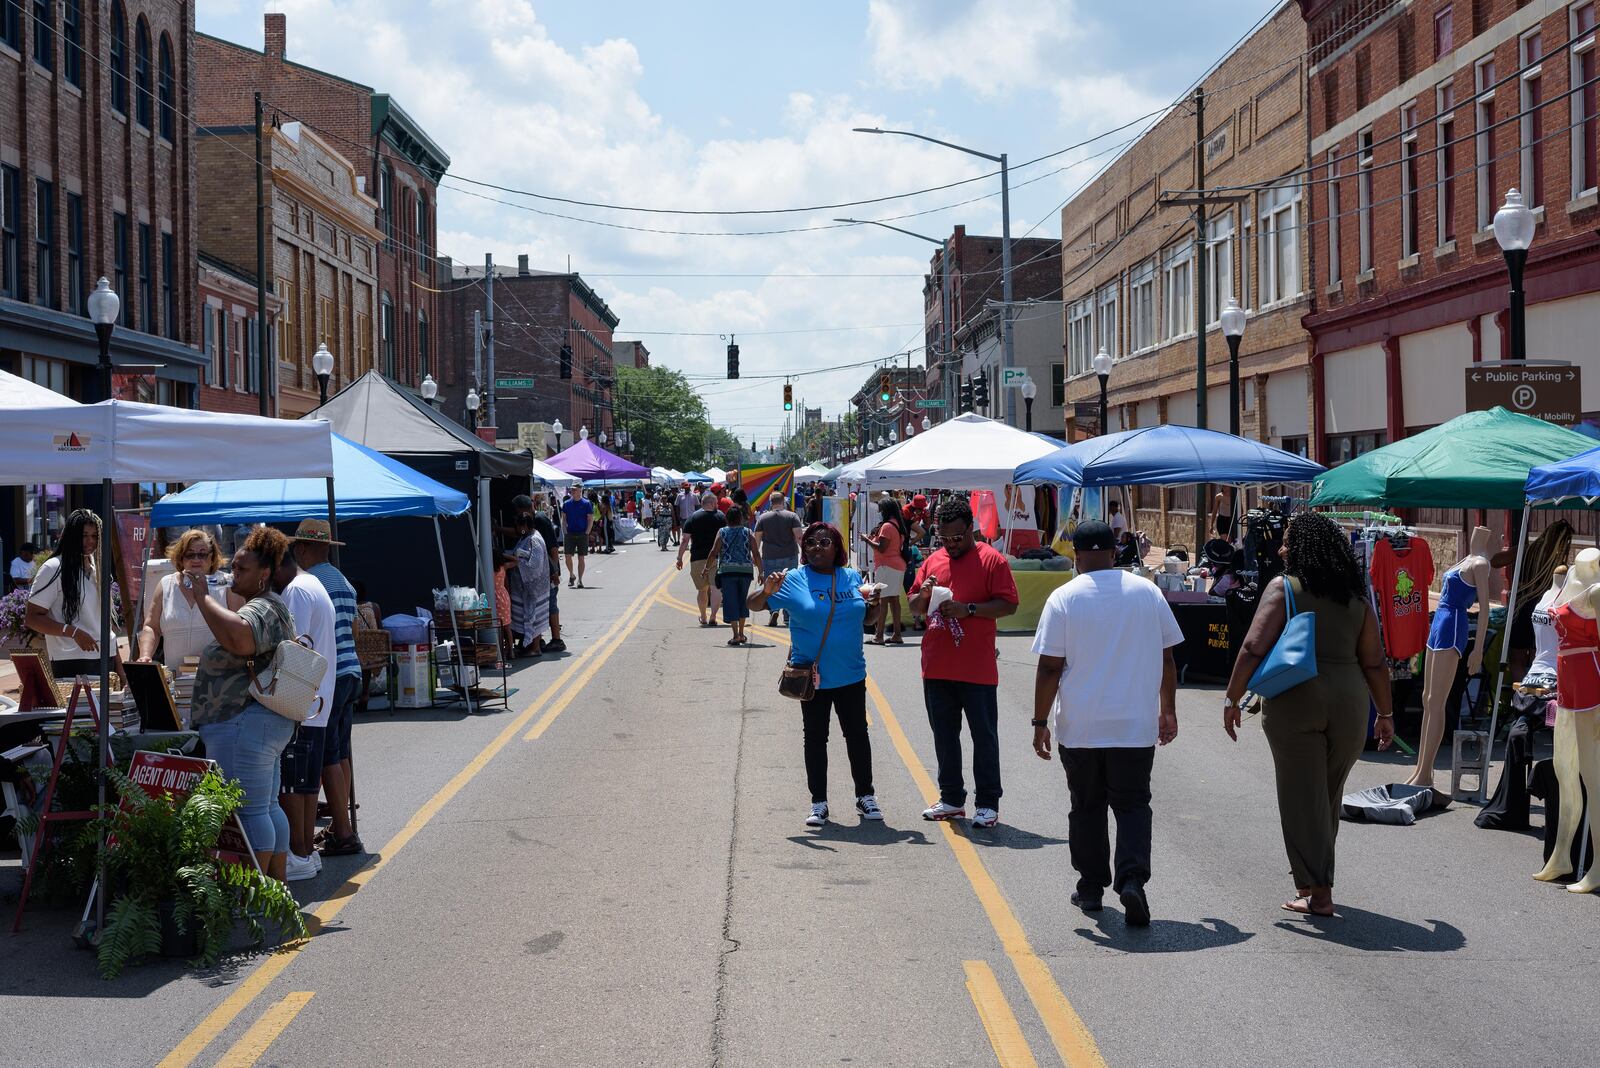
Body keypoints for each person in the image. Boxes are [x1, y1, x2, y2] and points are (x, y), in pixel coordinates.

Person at [1223, 511, 1395, 918]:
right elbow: (1374, 662)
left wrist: (1232, 698)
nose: (1281, 548)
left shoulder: (1285, 587)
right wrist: (1385, 712)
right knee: (1326, 798)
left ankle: (1317, 893)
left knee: (1302, 799)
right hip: (1351, 704)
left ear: (1302, 548)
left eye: (1286, 541)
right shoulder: (1357, 597)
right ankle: (1318, 881)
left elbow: (1252, 646)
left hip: (1297, 700)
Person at [1031, 520, 1182, 926]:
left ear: (1075, 556)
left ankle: (1091, 888)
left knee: (1087, 807)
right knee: (1133, 805)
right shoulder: (1147, 592)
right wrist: (1167, 710)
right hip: (1134, 726)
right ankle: (1132, 879)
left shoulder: (1063, 598)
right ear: (1115, 553)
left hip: (1080, 727)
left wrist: (1039, 721)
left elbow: (1049, 668)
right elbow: (1168, 657)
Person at [749, 521, 882, 826]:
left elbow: (868, 620)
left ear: (837, 547)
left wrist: (873, 604)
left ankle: (865, 796)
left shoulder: (850, 577)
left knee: (857, 735)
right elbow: (753, 605)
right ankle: (818, 802)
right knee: (815, 738)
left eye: (824, 542)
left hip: (850, 674)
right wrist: (765, 589)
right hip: (811, 676)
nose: (816, 547)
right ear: (803, 549)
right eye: (810, 543)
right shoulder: (794, 579)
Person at [188, 526, 298, 881]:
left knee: (249, 812)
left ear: (264, 574)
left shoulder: (264, 607)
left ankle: (254, 896)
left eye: (242, 570)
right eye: (233, 567)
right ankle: (275, 891)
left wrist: (203, 597)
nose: (234, 574)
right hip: (258, 721)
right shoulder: (263, 605)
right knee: (265, 807)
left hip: (244, 720)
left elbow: (239, 639)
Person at [907, 498, 1018, 828]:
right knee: (944, 735)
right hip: (937, 665)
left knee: (983, 736)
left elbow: (1008, 605)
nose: (950, 544)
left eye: (957, 538)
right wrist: (924, 595)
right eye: (944, 538)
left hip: (977, 668)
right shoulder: (933, 561)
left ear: (970, 530)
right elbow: (913, 605)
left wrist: (969, 609)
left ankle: (988, 802)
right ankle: (952, 799)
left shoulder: (992, 560)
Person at [288, 520, 365, 858]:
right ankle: (341, 823)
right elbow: (354, 630)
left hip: (330, 674)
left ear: (304, 548)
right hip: (352, 670)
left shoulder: (310, 583)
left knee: (328, 755)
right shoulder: (343, 581)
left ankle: (344, 831)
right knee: (341, 751)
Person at [273, 526, 338, 883]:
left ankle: (299, 851)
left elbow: (291, 646)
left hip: (302, 698)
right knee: (306, 783)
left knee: (295, 784)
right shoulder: (313, 584)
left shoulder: (297, 590)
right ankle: (305, 852)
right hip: (316, 697)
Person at [25, 510, 107, 680]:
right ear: (71, 536)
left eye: (94, 536)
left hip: (106, 657)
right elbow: (32, 618)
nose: (90, 541)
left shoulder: (96, 568)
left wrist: (119, 668)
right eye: (84, 535)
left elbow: (103, 622)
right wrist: (73, 632)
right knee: (81, 708)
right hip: (71, 661)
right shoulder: (54, 568)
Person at [137, 529, 229, 672]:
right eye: (190, 554)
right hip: (175, 679)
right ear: (181, 558)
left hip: (216, 678)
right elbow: (151, 627)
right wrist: (145, 656)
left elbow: (239, 629)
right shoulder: (165, 584)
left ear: (212, 557)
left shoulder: (227, 584)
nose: (196, 559)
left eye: (202, 554)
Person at [510, 495, 565, 653]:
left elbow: (553, 548)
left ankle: (556, 639)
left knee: (549, 607)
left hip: (547, 574)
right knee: (540, 609)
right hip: (544, 574)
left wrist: (554, 572)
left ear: (524, 510)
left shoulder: (540, 521)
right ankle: (538, 641)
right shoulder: (529, 528)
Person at [708, 505, 759, 646]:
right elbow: (756, 553)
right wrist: (761, 571)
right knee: (743, 600)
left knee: (731, 602)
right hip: (746, 571)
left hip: (727, 571)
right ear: (741, 518)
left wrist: (706, 567)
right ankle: (742, 634)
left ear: (727, 518)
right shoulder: (748, 532)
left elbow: (714, 551)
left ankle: (735, 635)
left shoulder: (722, 532)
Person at [864, 498, 911, 645]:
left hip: (886, 566)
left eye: (881, 509)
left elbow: (881, 548)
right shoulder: (897, 524)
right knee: (893, 600)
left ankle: (879, 636)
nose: (879, 512)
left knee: (882, 600)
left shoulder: (886, 526)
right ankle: (896, 634)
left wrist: (866, 539)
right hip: (897, 565)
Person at [677, 492, 727, 626]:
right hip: (717, 557)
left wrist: (679, 557)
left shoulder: (693, 517)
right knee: (716, 588)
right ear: (710, 503)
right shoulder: (721, 516)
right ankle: (714, 617)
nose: (717, 505)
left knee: (702, 590)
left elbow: (685, 540)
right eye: (716, 503)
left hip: (698, 558)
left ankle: (704, 616)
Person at [753, 496, 803, 627]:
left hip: (769, 557)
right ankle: (787, 616)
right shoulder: (792, 516)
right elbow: (799, 537)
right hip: (790, 556)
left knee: (771, 585)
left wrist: (755, 557)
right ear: (783, 502)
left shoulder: (763, 518)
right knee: (789, 585)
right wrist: (806, 553)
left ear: (771, 503)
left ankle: (774, 611)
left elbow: (756, 539)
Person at [510, 513, 551, 657]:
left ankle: (535, 647)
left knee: (534, 618)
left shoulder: (534, 539)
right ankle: (530, 646)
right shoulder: (526, 537)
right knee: (529, 617)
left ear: (525, 526)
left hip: (533, 588)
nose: (517, 529)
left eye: (519, 526)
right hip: (526, 589)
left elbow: (534, 565)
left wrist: (516, 562)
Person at [561, 485, 593, 588]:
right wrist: (564, 530)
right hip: (570, 533)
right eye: (572, 490)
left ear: (580, 491)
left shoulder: (586, 503)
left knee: (581, 557)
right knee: (567, 556)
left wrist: (587, 532)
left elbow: (590, 518)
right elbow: (564, 518)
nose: (573, 491)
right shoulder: (566, 504)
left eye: (575, 490)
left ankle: (580, 580)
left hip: (582, 533)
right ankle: (571, 575)